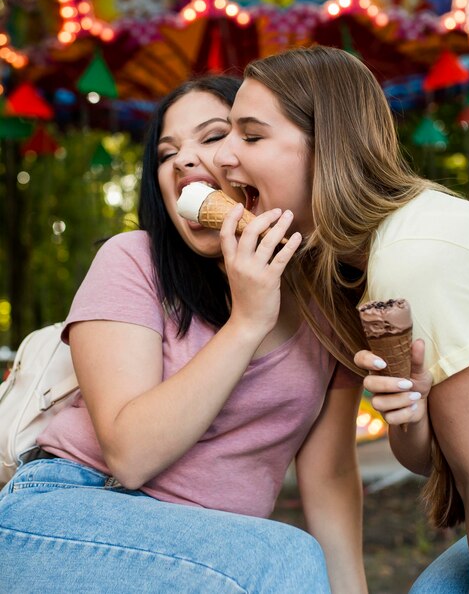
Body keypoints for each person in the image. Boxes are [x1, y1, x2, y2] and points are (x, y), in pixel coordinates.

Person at [0, 74, 367, 594]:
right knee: (281, 555)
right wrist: (246, 323)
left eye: (214, 137)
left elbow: (329, 479)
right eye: (167, 153)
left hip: (211, 553)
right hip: (70, 510)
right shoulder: (133, 260)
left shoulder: (331, 304)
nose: (183, 162)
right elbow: (130, 456)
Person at [213, 45, 469, 593]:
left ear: (329, 149)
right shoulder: (352, 268)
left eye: (250, 136)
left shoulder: (413, 254)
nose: (222, 156)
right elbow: (428, 460)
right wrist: (409, 416)